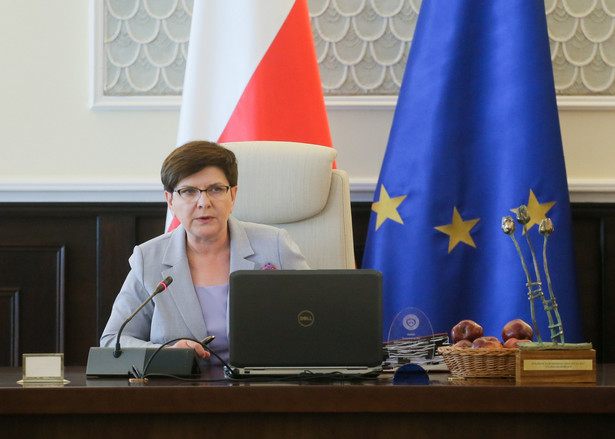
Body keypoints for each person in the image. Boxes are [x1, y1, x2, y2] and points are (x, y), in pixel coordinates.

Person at [100, 141, 309, 363]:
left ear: (233, 196)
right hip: (181, 390)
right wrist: (165, 352)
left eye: (216, 189)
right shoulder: (148, 258)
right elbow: (114, 341)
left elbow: (316, 318)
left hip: (262, 386)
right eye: (189, 191)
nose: (204, 202)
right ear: (170, 201)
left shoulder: (274, 246)